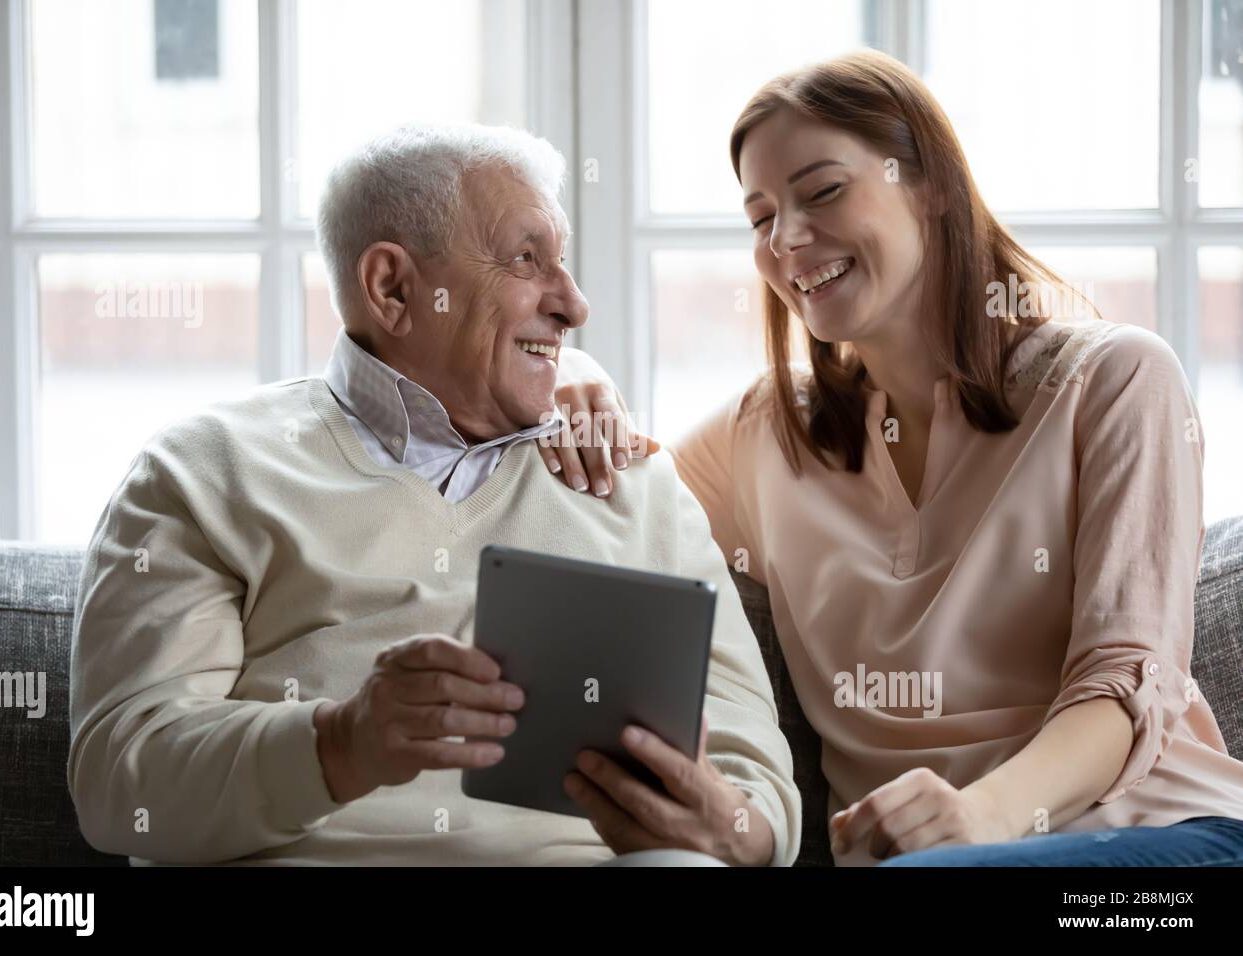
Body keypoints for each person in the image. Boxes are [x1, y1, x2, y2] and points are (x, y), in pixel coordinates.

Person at [540, 50, 1243, 866]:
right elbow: (621, 497)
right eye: (761, 216)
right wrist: (573, 370)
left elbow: (1128, 682)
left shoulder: (1115, 379)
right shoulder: (767, 433)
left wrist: (981, 815)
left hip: (1159, 845)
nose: (788, 239)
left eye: (824, 191)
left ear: (932, 185)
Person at [67, 124, 800, 867]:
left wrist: (732, 827)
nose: (575, 304)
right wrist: (340, 743)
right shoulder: (204, 470)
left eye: (564, 261)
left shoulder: (631, 477)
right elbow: (122, 786)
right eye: (526, 258)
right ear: (392, 287)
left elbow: (758, 784)